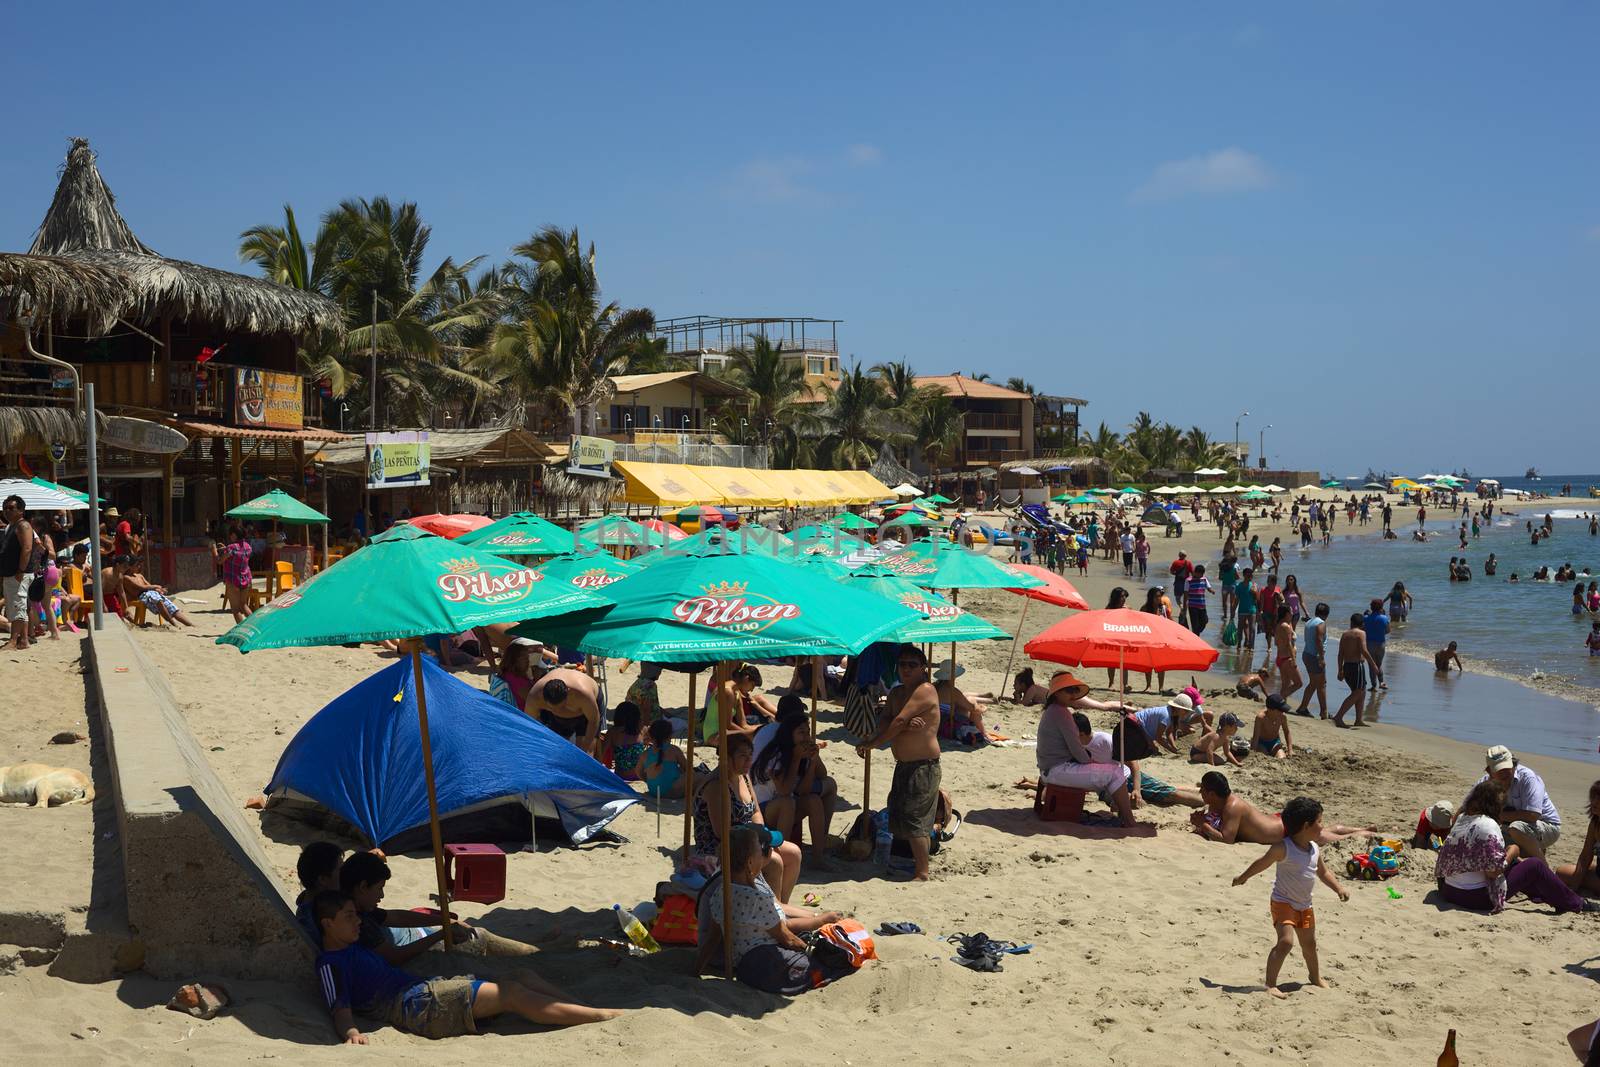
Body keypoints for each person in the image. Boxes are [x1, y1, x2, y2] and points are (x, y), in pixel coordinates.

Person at [313, 892, 617, 1043]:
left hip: (422, 990)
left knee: (521, 975)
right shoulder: (331, 962)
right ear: (328, 923)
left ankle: (582, 1008)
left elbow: (393, 918)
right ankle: (600, 1016)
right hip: (415, 1006)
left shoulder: (353, 946)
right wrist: (352, 1033)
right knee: (510, 992)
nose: (357, 921)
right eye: (349, 916)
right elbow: (339, 1007)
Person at [696, 826, 845, 992]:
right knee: (823, 965)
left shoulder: (720, 893)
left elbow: (713, 938)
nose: (769, 852)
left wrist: (696, 971)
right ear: (750, 862)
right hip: (765, 961)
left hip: (742, 965)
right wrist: (809, 952)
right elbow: (787, 938)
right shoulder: (756, 899)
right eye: (761, 851)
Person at [1231, 796, 1348, 999]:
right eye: (1319, 821)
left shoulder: (1314, 849)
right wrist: (1243, 877)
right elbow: (1261, 863)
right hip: (1283, 902)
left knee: (1309, 945)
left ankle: (1315, 977)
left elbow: (1323, 872)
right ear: (1305, 826)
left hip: (1305, 905)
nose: (1322, 826)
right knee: (1285, 942)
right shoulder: (1283, 847)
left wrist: (1338, 888)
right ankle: (1270, 984)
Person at [1434, 780, 1590, 915]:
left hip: (1450, 891)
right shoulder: (1489, 825)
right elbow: (1493, 872)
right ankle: (1577, 904)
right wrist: (1513, 851)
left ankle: (1547, 895)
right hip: (1475, 898)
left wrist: (1509, 856)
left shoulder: (1462, 819)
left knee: (1516, 864)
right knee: (1534, 865)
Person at [855, 645, 943, 881]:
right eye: (902, 664)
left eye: (911, 665)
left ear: (923, 668)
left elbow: (898, 721)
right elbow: (887, 723)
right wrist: (899, 726)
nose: (905, 669)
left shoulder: (926, 690)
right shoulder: (896, 694)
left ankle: (922, 872)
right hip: (904, 764)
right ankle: (905, 864)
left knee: (916, 820)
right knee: (899, 814)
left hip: (923, 765)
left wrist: (875, 742)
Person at [693, 732, 803, 900]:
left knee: (794, 853)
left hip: (749, 838)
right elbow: (721, 832)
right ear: (727, 758)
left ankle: (781, 906)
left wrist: (761, 835)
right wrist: (755, 842)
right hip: (721, 847)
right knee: (774, 861)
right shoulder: (716, 785)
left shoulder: (743, 777)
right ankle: (773, 911)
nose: (749, 760)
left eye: (750, 755)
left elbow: (756, 811)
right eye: (742, 756)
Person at [1031, 675, 1135, 827]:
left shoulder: (1052, 711)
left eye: (1073, 691)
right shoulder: (1061, 713)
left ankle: (1120, 811)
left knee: (1110, 773)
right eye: (1068, 691)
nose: (1073, 695)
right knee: (1116, 772)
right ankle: (1129, 821)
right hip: (1057, 770)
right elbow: (1077, 750)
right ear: (1057, 693)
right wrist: (1090, 762)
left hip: (1049, 770)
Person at [1191, 771, 1377, 846]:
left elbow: (1227, 839)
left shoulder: (1232, 807)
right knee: (1326, 832)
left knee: (1326, 838)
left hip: (1285, 831)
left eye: (1203, 791)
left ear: (1213, 794)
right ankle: (1364, 829)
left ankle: (1366, 835)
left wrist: (1203, 824)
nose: (1201, 794)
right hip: (1278, 823)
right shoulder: (1225, 803)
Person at [751, 711, 838, 871]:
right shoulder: (776, 754)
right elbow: (784, 790)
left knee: (813, 800)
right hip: (764, 808)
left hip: (785, 802)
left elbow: (805, 789)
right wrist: (797, 758)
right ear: (790, 735)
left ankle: (818, 857)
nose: (806, 737)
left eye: (808, 732)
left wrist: (812, 761)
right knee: (787, 803)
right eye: (801, 733)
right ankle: (781, 856)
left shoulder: (800, 752)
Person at [1471, 745, 1561, 862]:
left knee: (1516, 828)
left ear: (1514, 764)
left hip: (1545, 825)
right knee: (1487, 839)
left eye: (1506, 768)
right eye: (1499, 770)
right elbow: (1467, 807)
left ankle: (1543, 866)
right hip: (1509, 826)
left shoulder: (1528, 778)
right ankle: (1528, 854)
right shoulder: (1485, 782)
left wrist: (1496, 816)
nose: (1504, 773)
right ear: (1489, 771)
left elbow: (1533, 815)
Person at [525, 666, 601, 755]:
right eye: (551, 708)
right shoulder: (535, 697)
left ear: (569, 693)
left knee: (586, 754)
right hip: (556, 720)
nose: (558, 711)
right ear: (543, 697)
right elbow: (529, 725)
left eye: (562, 707)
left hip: (586, 716)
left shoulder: (583, 695)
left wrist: (584, 749)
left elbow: (593, 721)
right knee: (553, 752)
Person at [704, 664, 777, 744]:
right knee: (758, 734)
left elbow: (744, 725)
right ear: (746, 679)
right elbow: (728, 724)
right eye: (752, 685)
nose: (752, 690)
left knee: (764, 729)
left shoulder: (736, 692)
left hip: (725, 731)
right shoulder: (727, 691)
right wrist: (748, 734)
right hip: (714, 735)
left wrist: (760, 728)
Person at [1332, 613, 1381, 728]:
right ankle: (1338, 717)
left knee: (1361, 692)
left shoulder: (1345, 634)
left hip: (1347, 666)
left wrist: (1340, 670)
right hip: (1356, 666)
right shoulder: (1361, 633)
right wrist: (1373, 665)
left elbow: (1340, 654)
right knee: (1358, 692)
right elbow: (1364, 650)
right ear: (1362, 624)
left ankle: (1358, 719)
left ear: (1351, 622)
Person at [2, 495, 35, 651]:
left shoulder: (24, 526)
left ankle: (13, 641)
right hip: (12, 573)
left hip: (19, 573)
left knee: (18, 607)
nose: (7, 511)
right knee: (17, 607)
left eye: (11, 508)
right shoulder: (11, 526)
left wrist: (20, 570)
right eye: (5, 507)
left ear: (21, 510)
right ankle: (24, 641)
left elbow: (27, 548)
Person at [1556, 781, 1600, 895]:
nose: (1594, 802)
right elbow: (1585, 857)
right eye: (1593, 797)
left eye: (1599, 799)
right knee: (1562, 872)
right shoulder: (1595, 824)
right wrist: (1573, 887)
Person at [120, 563, 195, 626]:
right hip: (143, 595)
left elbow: (148, 585)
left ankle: (191, 625)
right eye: (137, 565)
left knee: (173, 608)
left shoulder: (140, 576)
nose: (139, 567)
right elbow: (141, 587)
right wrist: (155, 586)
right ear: (130, 567)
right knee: (159, 602)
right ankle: (173, 623)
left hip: (151, 593)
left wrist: (159, 589)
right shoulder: (126, 577)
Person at [1133, 693, 1203, 755]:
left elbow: (1169, 732)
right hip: (1135, 725)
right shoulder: (1166, 715)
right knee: (1153, 750)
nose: (1187, 713)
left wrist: (1174, 747)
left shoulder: (1172, 713)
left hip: (1140, 727)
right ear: (1178, 708)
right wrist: (1171, 750)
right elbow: (1159, 738)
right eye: (1186, 710)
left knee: (1152, 748)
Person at [1294, 603, 1331, 718]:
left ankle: (1303, 707)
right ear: (1326, 614)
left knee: (1314, 683)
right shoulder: (1321, 623)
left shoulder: (1309, 622)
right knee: (1322, 684)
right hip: (1315, 656)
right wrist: (1321, 658)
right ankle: (1324, 712)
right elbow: (1319, 640)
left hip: (1307, 654)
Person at [639, 718, 689, 799]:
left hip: (653, 791)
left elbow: (638, 772)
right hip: (672, 792)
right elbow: (688, 770)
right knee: (697, 777)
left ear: (651, 736)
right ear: (670, 735)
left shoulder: (645, 753)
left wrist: (648, 780)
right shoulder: (674, 750)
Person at [489, 638, 543, 709]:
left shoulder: (508, 672)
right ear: (514, 658)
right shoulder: (516, 679)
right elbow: (535, 701)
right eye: (524, 657)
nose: (528, 660)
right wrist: (537, 680)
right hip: (522, 715)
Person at [600, 701, 647, 781]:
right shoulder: (642, 729)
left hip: (621, 776)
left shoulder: (613, 732)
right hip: (641, 775)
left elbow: (602, 754)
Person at [219, 524, 254, 623]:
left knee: (235, 610)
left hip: (233, 579)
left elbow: (220, 561)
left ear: (234, 535)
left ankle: (242, 630)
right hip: (246, 578)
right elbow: (238, 552)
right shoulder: (248, 547)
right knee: (244, 605)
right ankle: (255, 626)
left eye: (230, 535)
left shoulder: (231, 547)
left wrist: (214, 550)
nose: (230, 537)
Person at [1251, 694, 1294, 759]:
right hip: (1261, 743)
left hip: (1275, 742)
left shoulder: (1282, 717)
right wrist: (1252, 751)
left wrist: (1290, 749)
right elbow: (1256, 736)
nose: (1282, 712)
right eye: (1281, 710)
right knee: (1263, 757)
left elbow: (1287, 732)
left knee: (1282, 758)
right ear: (1270, 709)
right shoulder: (1261, 718)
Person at [1233, 566, 1259, 651]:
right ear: (1244, 575)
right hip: (1242, 610)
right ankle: (1239, 644)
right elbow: (1237, 599)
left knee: (1252, 628)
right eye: (1248, 575)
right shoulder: (1239, 586)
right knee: (1240, 628)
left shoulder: (1254, 585)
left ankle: (1251, 646)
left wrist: (1255, 593)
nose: (1250, 577)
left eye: (1251, 575)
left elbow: (1257, 599)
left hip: (1252, 610)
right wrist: (1233, 610)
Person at [1185, 564, 1213, 635]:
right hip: (1192, 606)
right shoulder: (1188, 580)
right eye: (1200, 574)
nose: (1201, 575)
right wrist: (1184, 606)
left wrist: (1211, 590)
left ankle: (1196, 633)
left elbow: (1208, 587)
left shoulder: (1204, 579)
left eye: (1202, 574)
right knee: (1195, 625)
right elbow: (1186, 593)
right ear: (1195, 572)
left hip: (1202, 606)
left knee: (1205, 621)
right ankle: (1196, 636)